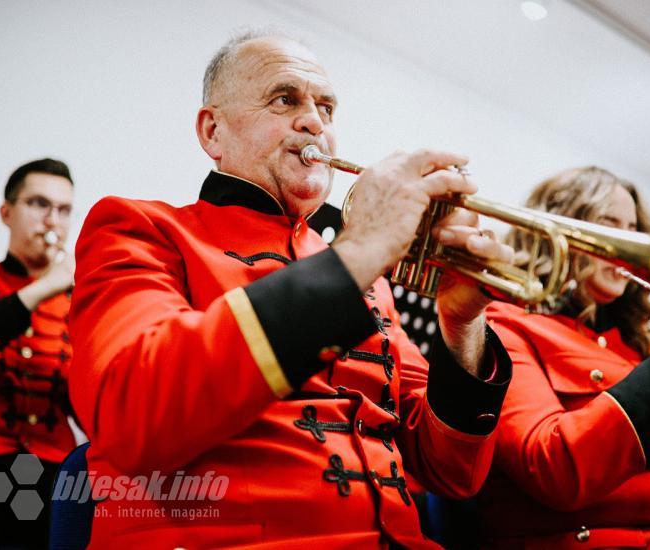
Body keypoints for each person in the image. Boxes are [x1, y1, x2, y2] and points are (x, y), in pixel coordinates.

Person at [68, 29, 514, 548]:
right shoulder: (137, 226)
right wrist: (361, 249)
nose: (315, 123)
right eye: (286, 100)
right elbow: (132, 413)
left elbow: (451, 473)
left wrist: (463, 328)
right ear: (213, 131)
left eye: (327, 108)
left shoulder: (359, 272)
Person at [473, 167, 650, 548]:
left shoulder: (646, 345)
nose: (631, 242)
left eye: (635, 227)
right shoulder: (506, 324)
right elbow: (554, 470)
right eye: (610, 223)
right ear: (560, 227)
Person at [0, 158, 77, 548]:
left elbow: (90, 405)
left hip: (51, 467)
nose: (52, 220)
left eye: (64, 210)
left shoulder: (77, 304)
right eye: (39, 204)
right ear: (7, 213)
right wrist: (40, 290)